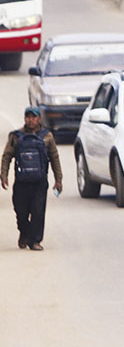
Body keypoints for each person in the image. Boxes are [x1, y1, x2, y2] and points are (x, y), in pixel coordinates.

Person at [1, 107, 62, 251]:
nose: (31, 120)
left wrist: (58, 179)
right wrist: (3, 175)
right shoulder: (16, 136)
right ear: (24, 118)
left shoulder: (47, 136)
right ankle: (24, 233)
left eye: (34, 117)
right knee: (20, 213)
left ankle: (34, 241)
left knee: (38, 212)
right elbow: (6, 157)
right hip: (21, 182)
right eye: (28, 117)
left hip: (40, 182)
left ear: (39, 119)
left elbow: (54, 157)